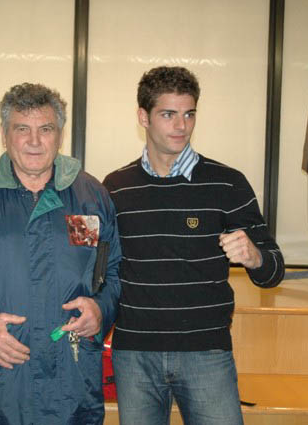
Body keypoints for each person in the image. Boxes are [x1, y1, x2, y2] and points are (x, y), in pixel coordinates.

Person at [102, 66, 285, 425]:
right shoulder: (116, 187)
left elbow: (273, 271)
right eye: (168, 114)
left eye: (189, 114)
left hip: (206, 353)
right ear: (143, 117)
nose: (181, 126)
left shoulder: (228, 184)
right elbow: (101, 267)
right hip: (135, 354)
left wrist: (254, 257)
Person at [0, 83, 121, 425]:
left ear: (60, 135)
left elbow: (112, 273)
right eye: (22, 129)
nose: (35, 141)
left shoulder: (91, 197)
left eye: (46, 129)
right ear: (4, 135)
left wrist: (101, 309)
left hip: (72, 387)